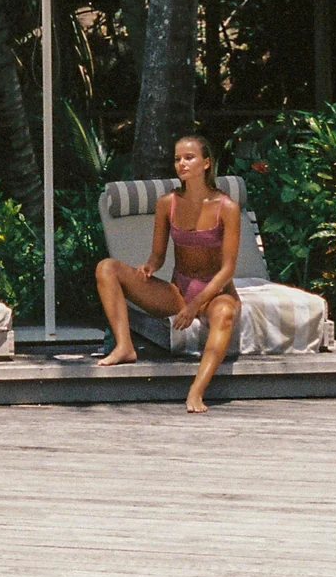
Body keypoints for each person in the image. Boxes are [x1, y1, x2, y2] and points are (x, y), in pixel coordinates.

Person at [92, 134, 244, 413]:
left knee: (225, 313)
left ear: (206, 163)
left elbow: (227, 270)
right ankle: (124, 346)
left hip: (214, 293)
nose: (181, 164)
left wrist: (196, 305)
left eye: (189, 157)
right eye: (177, 159)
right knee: (106, 268)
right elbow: (158, 255)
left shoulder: (227, 208)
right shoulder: (167, 203)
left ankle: (196, 391)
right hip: (179, 290)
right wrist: (149, 266)